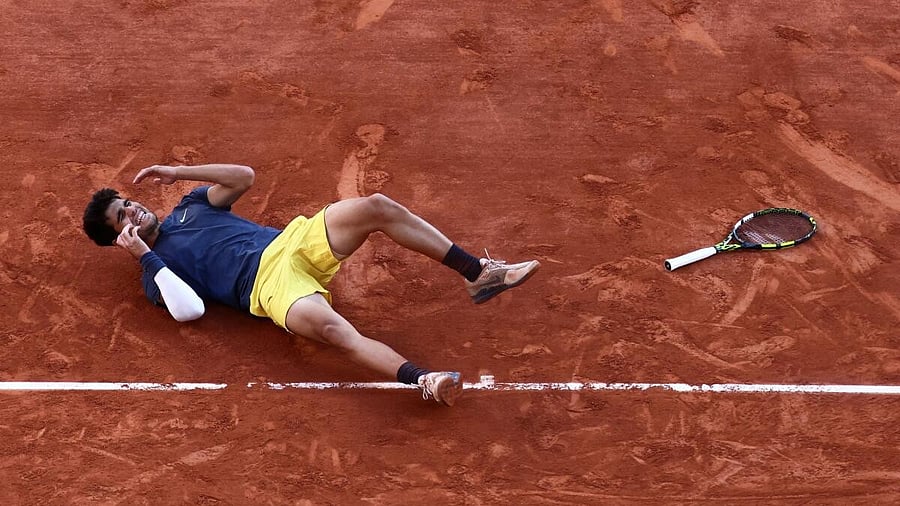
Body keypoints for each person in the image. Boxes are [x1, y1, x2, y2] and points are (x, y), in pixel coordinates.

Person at [82, 163, 540, 406]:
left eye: (128, 202)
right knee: (335, 332)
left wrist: (180, 172)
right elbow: (191, 310)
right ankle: (423, 380)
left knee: (375, 205)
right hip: (267, 290)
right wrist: (146, 255)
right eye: (122, 217)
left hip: (291, 243)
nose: (134, 210)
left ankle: (478, 273)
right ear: (118, 237)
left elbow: (244, 176)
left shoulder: (190, 205)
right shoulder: (154, 274)